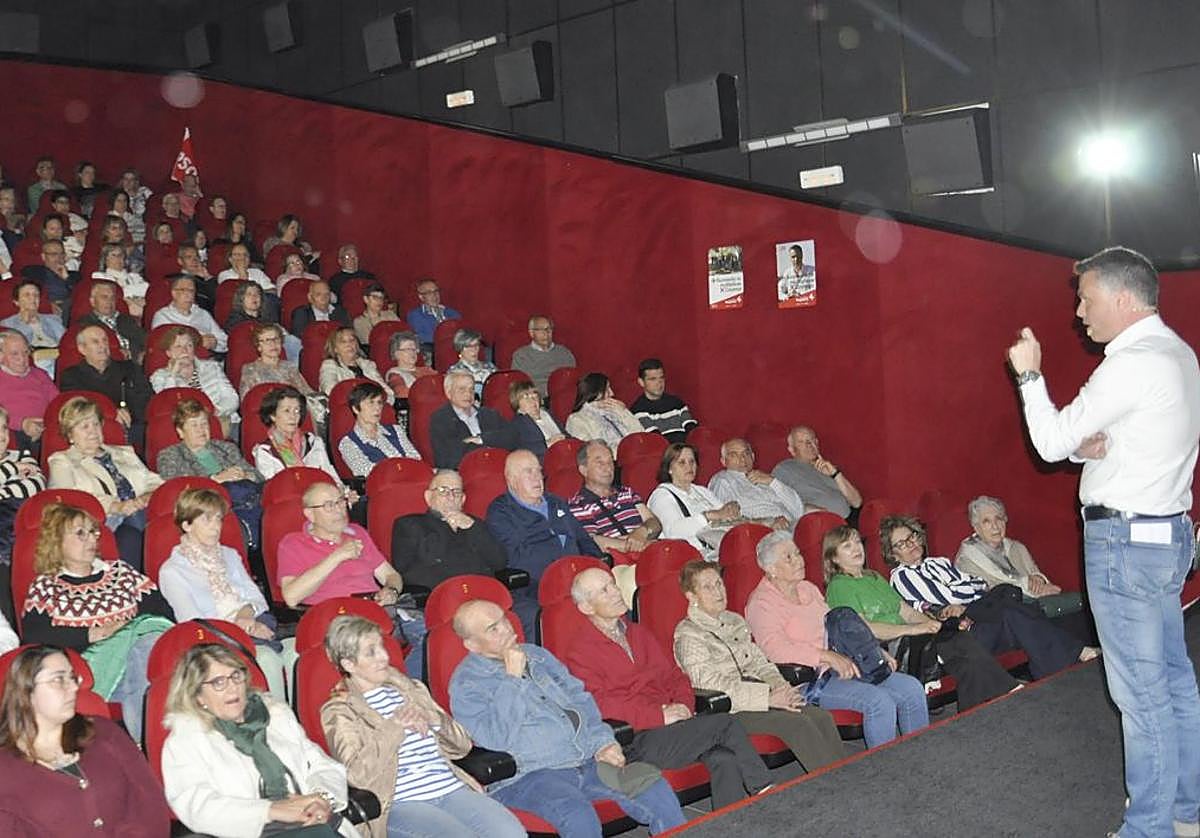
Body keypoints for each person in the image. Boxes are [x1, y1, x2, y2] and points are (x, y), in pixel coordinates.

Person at [1006, 245, 1200, 838]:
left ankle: (1149, 831)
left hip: (1125, 544)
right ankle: (1186, 813)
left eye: (1086, 299)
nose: (1078, 313)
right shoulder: (1176, 355)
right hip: (1165, 537)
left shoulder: (1132, 362)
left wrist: (1029, 374)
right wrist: (1080, 443)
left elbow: (1049, 441)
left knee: (1142, 698)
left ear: (1122, 297)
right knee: (1173, 684)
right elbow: (1078, 440)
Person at [450, 599, 687, 837]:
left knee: (652, 785)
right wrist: (512, 679)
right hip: (532, 776)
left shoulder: (537, 655)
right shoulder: (467, 684)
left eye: (504, 619)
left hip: (586, 759)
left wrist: (603, 742)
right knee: (578, 817)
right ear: (472, 644)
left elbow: (581, 701)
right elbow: (495, 737)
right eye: (493, 628)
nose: (507, 628)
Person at [564, 567, 778, 809]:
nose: (615, 592)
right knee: (727, 724)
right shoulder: (580, 652)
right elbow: (599, 705)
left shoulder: (638, 633)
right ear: (587, 607)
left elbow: (675, 676)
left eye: (613, 584)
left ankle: (731, 826)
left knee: (724, 758)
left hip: (673, 726)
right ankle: (767, 794)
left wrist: (683, 706)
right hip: (635, 738)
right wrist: (659, 715)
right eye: (604, 590)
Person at [320, 615, 526, 838]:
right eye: (371, 652)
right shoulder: (340, 710)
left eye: (381, 647)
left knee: (513, 833)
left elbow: (463, 746)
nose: (384, 657)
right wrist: (394, 727)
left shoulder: (411, 689)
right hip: (400, 802)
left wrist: (435, 719)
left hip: (449, 788)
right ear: (349, 664)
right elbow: (357, 774)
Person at [745, 531, 929, 749]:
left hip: (844, 664)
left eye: (798, 553)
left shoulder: (808, 589)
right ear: (771, 569)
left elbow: (840, 628)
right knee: (879, 702)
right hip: (809, 679)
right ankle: (885, 770)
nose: (799, 560)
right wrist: (826, 657)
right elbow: (774, 651)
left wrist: (872, 649)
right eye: (789, 557)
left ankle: (920, 755)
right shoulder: (761, 603)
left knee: (911, 688)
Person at [161, 644, 355, 837]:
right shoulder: (186, 740)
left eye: (236, 676)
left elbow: (322, 765)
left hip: (312, 818)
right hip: (254, 830)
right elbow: (198, 806)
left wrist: (321, 799)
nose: (233, 688)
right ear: (197, 696)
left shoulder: (276, 717)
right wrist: (270, 810)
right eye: (218, 682)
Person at [822, 525, 1020, 711]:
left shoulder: (872, 577)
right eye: (847, 546)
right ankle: (1008, 689)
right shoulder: (839, 586)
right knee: (958, 642)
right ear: (834, 558)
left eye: (857, 542)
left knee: (963, 655)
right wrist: (915, 629)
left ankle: (972, 716)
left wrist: (929, 624)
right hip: (883, 648)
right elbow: (865, 630)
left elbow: (906, 612)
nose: (857, 548)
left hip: (911, 638)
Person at [20, 502, 174, 742]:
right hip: (90, 667)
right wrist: (92, 633)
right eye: (80, 533)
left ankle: (151, 741)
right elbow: (34, 636)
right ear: (57, 541)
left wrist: (127, 631)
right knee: (148, 652)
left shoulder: (121, 572)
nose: (91, 538)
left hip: (139, 658)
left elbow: (161, 611)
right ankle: (154, 742)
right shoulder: (47, 586)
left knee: (150, 641)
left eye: (93, 531)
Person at [673, 560, 846, 770]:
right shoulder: (688, 635)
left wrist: (781, 687)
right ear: (692, 597)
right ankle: (834, 786)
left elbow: (760, 663)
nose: (718, 591)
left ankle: (844, 776)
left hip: (761, 694)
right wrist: (767, 698)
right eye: (708, 587)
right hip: (730, 710)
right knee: (800, 724)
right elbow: (710, 683)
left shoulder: (734, 621)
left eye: (719, 584)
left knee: (821, 717)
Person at [881, 515, 1097, 679]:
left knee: (1009, 602)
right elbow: (947, 597)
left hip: (982, 616)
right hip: (960, 633)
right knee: (1010, 602)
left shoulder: (939, 563)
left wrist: (964, 593)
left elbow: (980, 583)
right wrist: (964, 592)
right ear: (892, 554)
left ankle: (1055, 670)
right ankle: (1074, 654)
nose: (910, 544)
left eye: (912, 537)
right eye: (901, 543)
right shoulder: (902, 576)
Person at [0, 645, 172, 836]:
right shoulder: (6, 770)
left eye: (73, 678)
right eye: (59, 679)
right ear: (25, 690)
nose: (74, 687)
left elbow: (149, 801)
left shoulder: (104, 732)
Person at [158, 488, 295, 700]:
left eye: (219, 519)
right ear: (187, 525)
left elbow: (257, 598)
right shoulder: (172, 571)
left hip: (254, 623)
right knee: (267, 658)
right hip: (217, 640)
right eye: (207, 520)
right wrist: (240, 627)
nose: (216, 527)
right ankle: (278, 725)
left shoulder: (229, 555)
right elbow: (193, 623)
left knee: (295, 651)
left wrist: (247, 617)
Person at [486, 449, 604, 634]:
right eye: (528, 471)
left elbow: (583, 539)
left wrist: (596, 566)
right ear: (510, 478)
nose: (537, 477)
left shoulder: (555, 501)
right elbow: (516, 557)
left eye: (538, 470)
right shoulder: (500, 512)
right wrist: (564, 571)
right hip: (537, 584)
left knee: (610, 596)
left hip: (577, 578)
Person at [157, 398, 264, 547]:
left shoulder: (226, 447)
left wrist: (245, 475)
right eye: (194, 425)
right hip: (212, 505)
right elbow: (179, 489)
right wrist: (216, 479)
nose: (201, 430)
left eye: (204, 424)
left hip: (247, 493)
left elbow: (258, 476)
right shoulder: (170, 455)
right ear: (180, 432)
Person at [276, 481, 400, 609]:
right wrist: (337, 556)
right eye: (329, 505)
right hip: (337, 618)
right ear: (310, 514)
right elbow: (291, 597)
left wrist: (391, 591)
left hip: (376, 609)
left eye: (340, 502)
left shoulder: (357, 532)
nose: (339, 510)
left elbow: (390, 575)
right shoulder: (293, 544)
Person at [954, 495, 1076, 606]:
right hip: (1002, 614)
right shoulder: (966, 558)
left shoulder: (1017, 548)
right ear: (976, 527)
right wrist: (1029, 586)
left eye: (999, 519)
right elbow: (991, 591)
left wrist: (1039, 579)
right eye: (987, 521)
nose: (995, 526)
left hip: (1033, 605)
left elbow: (1036, 575)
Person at [60, 324, 152, 447]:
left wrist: (129, 412)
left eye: (104, 340)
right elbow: (76, 408)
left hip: (133, 426)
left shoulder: (130, 368)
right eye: (95, 342)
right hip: (93, 431)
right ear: (82, 349)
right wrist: (110, 412)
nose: (102, 345)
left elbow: (146, 397)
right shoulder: (71, 375)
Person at [647, 442, 741, 557]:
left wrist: (732, 508)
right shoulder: (661, 495)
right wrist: (708, 516)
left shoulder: (701, 490)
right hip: (695, 554)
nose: (689, 466)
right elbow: (673, 531)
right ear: (669, 469)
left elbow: (724, 512)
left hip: (723, 543)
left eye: (692, 461)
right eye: (682, 462)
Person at [568, 439, 661, 554]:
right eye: (600, 463)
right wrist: (637, 545)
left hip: (650, 552)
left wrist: (642, 531)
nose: (608, 468)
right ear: (584, 470)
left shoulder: (627, 492)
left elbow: (654, 522)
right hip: (620, 563)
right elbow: (593, 541)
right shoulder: (578, 504)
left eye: (610, 461)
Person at [149, 326, 240, 435]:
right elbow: (167, 404)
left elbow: (232, 398)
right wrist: (173, 374)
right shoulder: (160, 376)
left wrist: (215, 411)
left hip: (224, 421)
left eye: (189, 345)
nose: (185, 350)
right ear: (169, 353)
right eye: (178, 346)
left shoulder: (212, 367)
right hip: (188, 430)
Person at [239, 323, 328, 430]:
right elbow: (247, 402)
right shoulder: (250, 369)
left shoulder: (289, 366)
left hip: (296, 413)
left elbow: (306, 391)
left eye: (276, 339)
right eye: (267, 340)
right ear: (259, 347)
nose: (273, 344)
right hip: (269, 418)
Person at [252, 385, 346, 486]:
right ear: (273, 416)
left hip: (323, 496)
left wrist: (344, 492)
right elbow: (272, 488)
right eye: (287, 411)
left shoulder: (313, 442)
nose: (293, 416)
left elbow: (330, 475)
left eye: (297, 411)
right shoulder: (265, 451)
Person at [708, 437, 805, 530]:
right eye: (734, 455)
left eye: (746, 453)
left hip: (793, 526)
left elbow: (798, 509)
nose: (742, 459)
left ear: (753, 457)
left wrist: (772, 481)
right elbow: (723, 520)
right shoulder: (723, 480)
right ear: (723, 461)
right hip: (763, 532)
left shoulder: (765, 478)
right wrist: (769, 522)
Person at [772, 425, 863, 521]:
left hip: (848, 520)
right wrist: (806, 508)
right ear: (792, 450)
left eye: (811, 440)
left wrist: (836, 474)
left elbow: (857, 502)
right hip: (817, 522)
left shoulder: (828, 467)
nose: (809, 444)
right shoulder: (785, 469)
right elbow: (774, 499)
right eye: (801, 442)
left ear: (817, 443)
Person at [429, 371, 517, 469]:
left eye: (472, 389)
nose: (468, 394)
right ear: (448, 393)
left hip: (501, 466)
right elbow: (449, 458)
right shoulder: (441, 420)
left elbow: (512, 437)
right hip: (467, 472)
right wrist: (491, 445)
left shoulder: (490, 414)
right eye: (462, 389)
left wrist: (480, 439)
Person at [337, 381, 421, 478]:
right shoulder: (348, 443)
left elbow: (416, 459)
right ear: (356, 409)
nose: (377, 408)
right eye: (371, 403)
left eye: (379, 402)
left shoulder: (396, 430)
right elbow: (369, 473)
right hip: (384, 488)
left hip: (412, 479)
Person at [0, 405, 45, 566]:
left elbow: (37, 486)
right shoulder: (17, 463)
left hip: (25, 516)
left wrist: (3, 492)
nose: (1, 435)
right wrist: (13, 468)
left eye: (4, 428)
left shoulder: (22, 455)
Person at [0, 330, 57, 454]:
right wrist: (23, 423)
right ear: (1, 356)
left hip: (46, 427)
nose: (22, 358)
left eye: (26, 352)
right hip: (14, 432)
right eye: (15, 354)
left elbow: (57, 403)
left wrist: (47, 423)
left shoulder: (40, 374)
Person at [564, 373, 643, 456]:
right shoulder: (576, 419)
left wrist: (624, 412)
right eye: (607, 389)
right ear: (597, 393)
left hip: (636, 453)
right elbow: (590, 452)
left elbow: (640, 433)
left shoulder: (616, 409)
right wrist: (628, 451)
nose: (612, 393)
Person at [0, 280, 64, 376]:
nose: (33, 298)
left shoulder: (54, 319)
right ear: (16, 302)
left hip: (57, 358)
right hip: (31, 364)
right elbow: (17, 350)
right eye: (27, 295)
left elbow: (66, 342)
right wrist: (25, 323)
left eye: (36, 295)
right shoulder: (7, 324)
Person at [151, 275, 229, 353]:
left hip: (209, 360)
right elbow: (162, 345)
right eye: (184, 290)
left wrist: (215, 344)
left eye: (191, 291)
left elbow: (224, 340)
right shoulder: (163, 316)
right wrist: (199, 343)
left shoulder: (203, 314)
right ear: (174, 293)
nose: (188, 295)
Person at [76, 279, 146, 362]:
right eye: (104, 297)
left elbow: (144, 340)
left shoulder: (127, 319)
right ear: (92, 301)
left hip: (136, 365)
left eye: (112, 298)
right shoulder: (86, 324)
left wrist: (143, 354)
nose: (109, 301)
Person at [629, 359, 697, 442]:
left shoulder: (676, 402)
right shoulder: (638, 409)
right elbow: (656, 440)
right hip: (665, 452)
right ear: (641, 382)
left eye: (661, 377)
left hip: (687, 449)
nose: (659, 382)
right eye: (652, 379)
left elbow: (691, 428)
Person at [511, 314, 576, 398]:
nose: (546, 333)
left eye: (549, 329)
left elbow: (572, 380)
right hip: (536, 398)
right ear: (531, 333)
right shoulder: (521, 356)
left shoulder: (564, 353)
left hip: (562, 397)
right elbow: (519, 386)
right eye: (541, 329)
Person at [318, 327, 387, 395]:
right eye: (343, 341)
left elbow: (386, 390)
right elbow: (329, 389)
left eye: (352, 340)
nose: (349, 344)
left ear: (357, 345)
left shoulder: (368, 364)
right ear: (335, 348)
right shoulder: (329, 365)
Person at [20, 238, 76, 317]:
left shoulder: (75, 276)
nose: (59, 258)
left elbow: (79, 296)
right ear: (43, 256)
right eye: (53, 254)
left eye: (61, 254)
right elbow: (27, 292)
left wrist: (66, 278)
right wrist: (47, 304)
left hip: (70, 309)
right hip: (46, 310)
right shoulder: (33, 272)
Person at [509, 379, 565, 457]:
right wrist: (548, 444)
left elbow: (566, 435)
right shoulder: (517, 423)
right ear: (517, 402)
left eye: (535, 395)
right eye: (526, 397)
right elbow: (519, 449)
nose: (533, 400)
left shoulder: (548, 414)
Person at [405, 279, 460, 358]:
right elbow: (420, 336)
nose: (434, 295)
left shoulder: (452, 313)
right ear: (421, 297)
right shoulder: (415, 315)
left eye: (436, 291)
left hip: (458, 348)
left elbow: (463, 332)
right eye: (429, 292)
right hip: (434, 351)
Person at [91, 242, 148, 317]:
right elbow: (115, 294)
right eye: (113, 255)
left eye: (121, 255)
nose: (118, 258)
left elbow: (147, 289)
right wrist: (135, 295)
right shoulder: (100, 276)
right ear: (105, 259)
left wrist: (126, 293)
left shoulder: (134, 276)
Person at [383, 330, 437, 404]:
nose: (413, 353)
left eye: (414, 349)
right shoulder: (394, 375)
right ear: (397, 354)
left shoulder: (427, 370)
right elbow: (403, 395)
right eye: (408, 349)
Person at [446, 328, 495, 400]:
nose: (474, 350)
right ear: (460, 349)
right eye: (469, 346)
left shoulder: (490, 367)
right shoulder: (454, 372)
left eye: (476, 345)